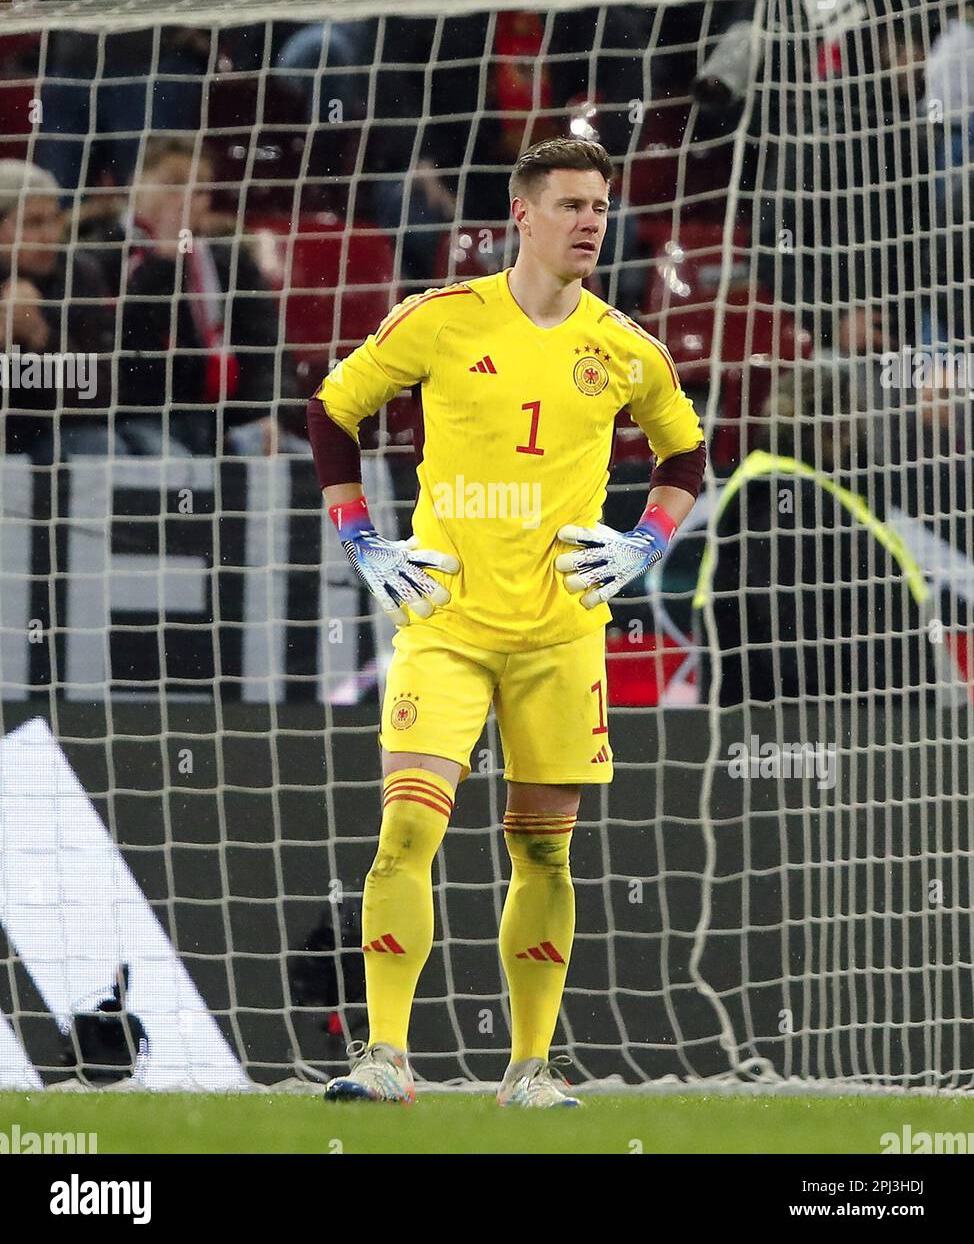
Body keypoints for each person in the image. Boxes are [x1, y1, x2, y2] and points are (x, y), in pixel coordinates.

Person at [306, 136, 706, 1105]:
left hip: (560, 633)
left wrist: (646, 543)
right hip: (444, 624)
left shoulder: (621, 344)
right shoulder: (441, 320)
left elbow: (683, 456)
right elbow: (331, 411)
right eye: (570, 204)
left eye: (600, 207)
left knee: (542, 848)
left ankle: (529, 1065)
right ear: (519, 215)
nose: (589, 223)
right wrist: (361, 538)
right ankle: (385, 1056)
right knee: (406, 829)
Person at [87, 136, 304, 457]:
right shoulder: (97, 254)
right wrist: (162, 263)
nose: (187, 198)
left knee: (314, 465)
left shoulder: (229, 259)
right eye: (174, 184)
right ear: (136, 184)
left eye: (200, 189)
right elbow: (120, 359)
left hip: (223, 422)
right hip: (136, 421)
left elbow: (267, 346)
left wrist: (268, 414)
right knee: (179, 469)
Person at [0, 158, 114, 461]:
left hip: (57, 430)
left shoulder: (81, 275)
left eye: (54, 220)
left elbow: (100, 392)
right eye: (33, 223)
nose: (50, 236)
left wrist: (40, 336)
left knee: (98, 446)